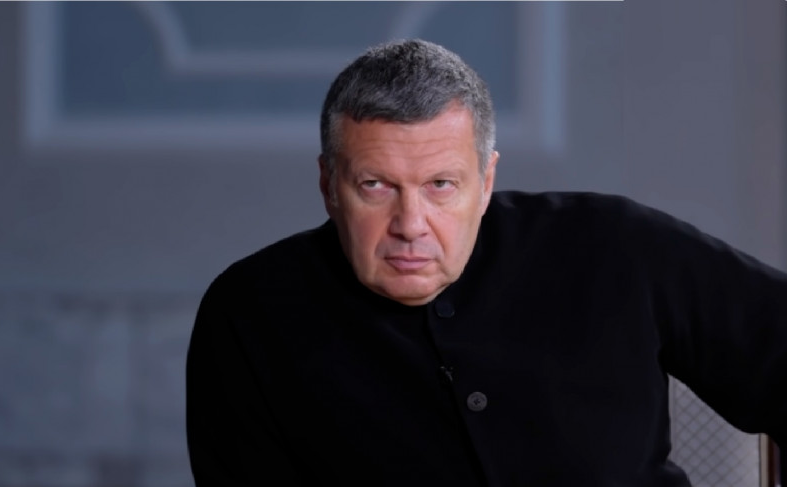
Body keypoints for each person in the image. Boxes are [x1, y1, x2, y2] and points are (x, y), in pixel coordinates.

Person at [186, 39, 786, 486]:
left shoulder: (615, 245)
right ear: (328, 185)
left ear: (486, 180)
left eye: (441, 185)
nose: (410, 223)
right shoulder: (249, 315)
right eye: (375, 185)